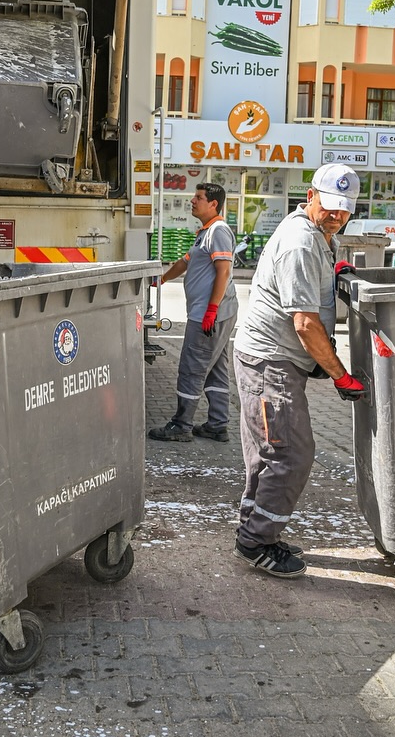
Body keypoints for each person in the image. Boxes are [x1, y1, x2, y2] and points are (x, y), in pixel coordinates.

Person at [229, 163, 366, 578]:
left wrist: (334, 275)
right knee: (290, 455)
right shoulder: (301, 243)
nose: (336, 215)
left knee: (267, 455)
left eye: (344, 209)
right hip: (271, 364)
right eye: (330, 205)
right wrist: (340, 374)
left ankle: (254, 529)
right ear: (311, 196)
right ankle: (256, 542)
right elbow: (305, 324)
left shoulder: (319, 235)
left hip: (270, 360)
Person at [148, 182, 239, 443]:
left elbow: (223, 271)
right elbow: (185, 262)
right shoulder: (205, 233)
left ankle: (181, 425)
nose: (192, 201)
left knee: (192, 368)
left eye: (198, 197)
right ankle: (217, 425)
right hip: (213, 313)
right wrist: (162, 279)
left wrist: (211, 310)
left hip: (208, 316)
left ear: (213, 204)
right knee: (216, 369)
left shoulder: (218, 231)